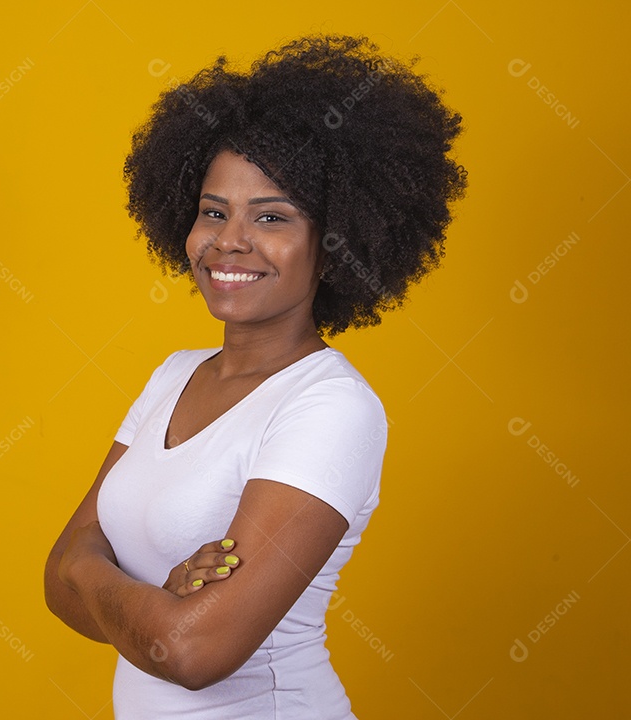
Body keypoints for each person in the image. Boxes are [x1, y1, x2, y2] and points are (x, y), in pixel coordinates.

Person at [44, 34, 466, 719]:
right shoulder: (173, 376)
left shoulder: (329, 407)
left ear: (333, 247)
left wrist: (93, 572)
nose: (229, 241)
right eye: (215, 211)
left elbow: (191, 652)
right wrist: (149, 594)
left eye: (272, 217)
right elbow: (53, 582)